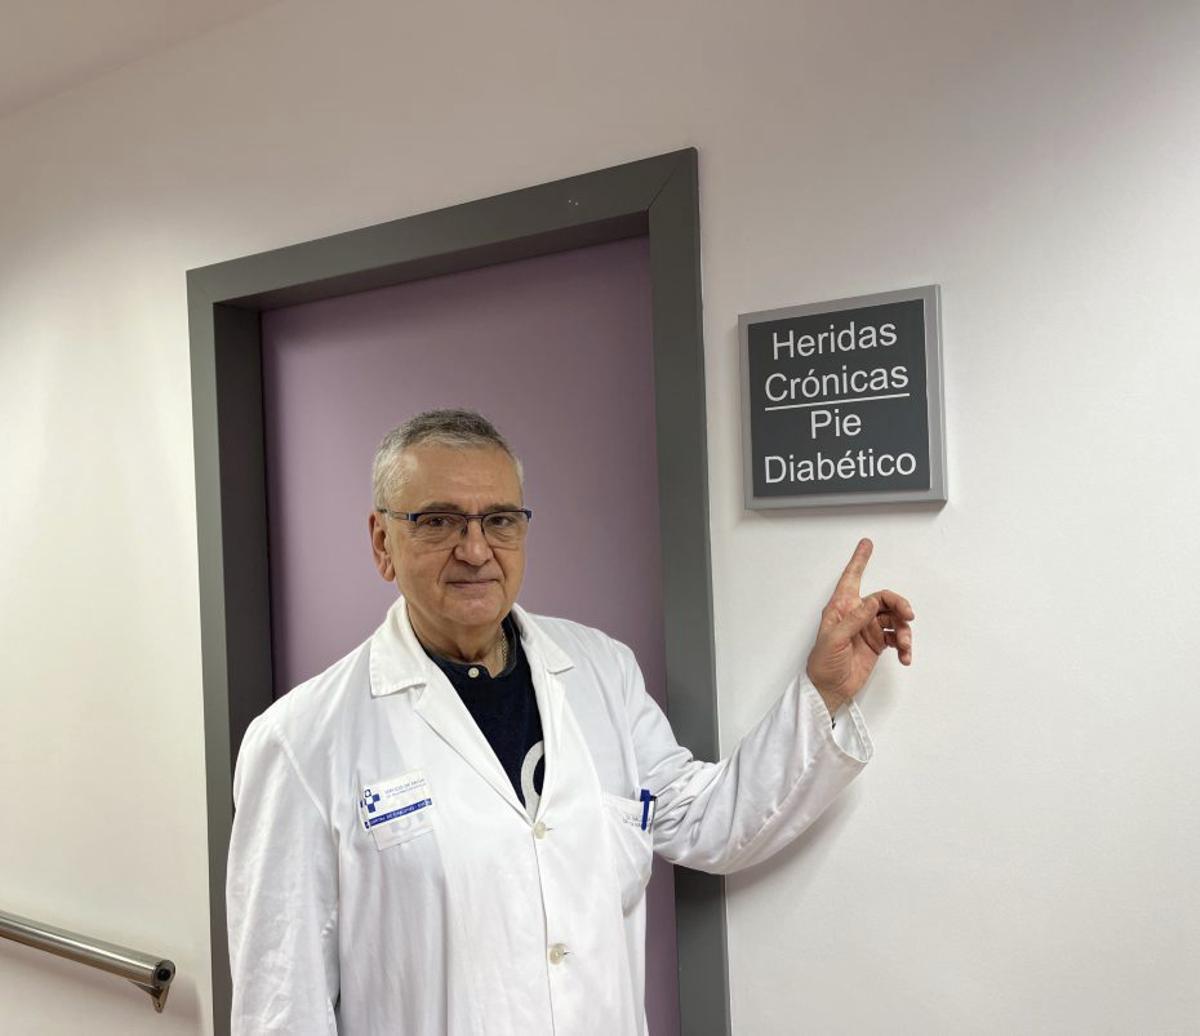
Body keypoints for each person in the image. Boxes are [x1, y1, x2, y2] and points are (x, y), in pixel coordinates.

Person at [226, 409, 914, 1035]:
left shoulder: (599, 670)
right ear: (382, 541)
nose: (474, 549)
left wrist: (823, 691)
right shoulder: (302, 741)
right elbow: (280, 1004)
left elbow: (707, 820)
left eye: (499, 519)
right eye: (437, 520)